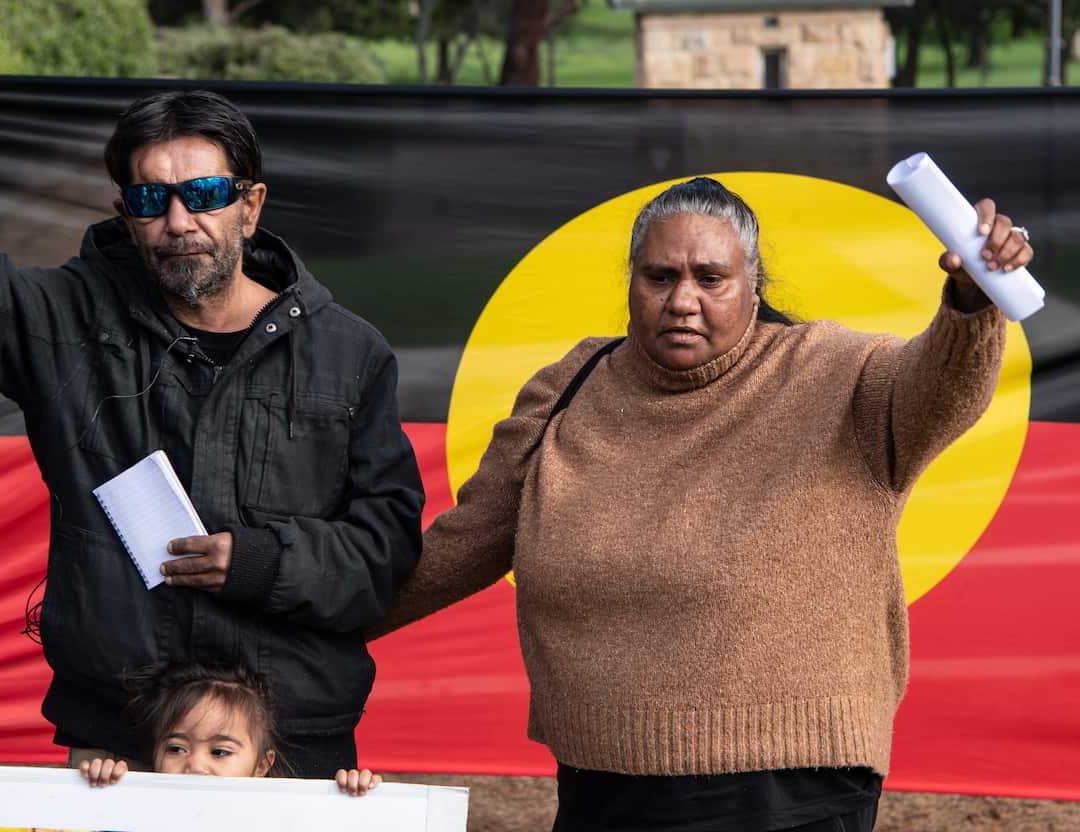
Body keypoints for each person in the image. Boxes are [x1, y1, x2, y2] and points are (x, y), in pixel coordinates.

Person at [0, 45, 424, 778]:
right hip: (122, 737)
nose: (176, 219)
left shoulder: (350, 352)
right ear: (124, 215)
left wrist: (260, 562)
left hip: (287, 738)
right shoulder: (64, 321)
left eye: (202, 194)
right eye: (148, 199)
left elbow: (384, 552)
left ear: (250, 204)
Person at [370, 176, 1031, 830]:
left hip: (790, 792)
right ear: (632, 283)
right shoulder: (568, 387)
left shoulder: (838, 374)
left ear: (753, 286)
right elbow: (459, 548)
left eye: (710, 278)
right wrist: (305, 623)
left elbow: (941, 386)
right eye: (660, 277)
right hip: (602, 785)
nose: (682, 299)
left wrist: (972, 301)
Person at [78, 659, 382, 796]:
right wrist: (102, 791)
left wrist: (352, 799)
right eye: (176, 748)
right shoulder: (135, 810)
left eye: (220, 751)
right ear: (153, 754)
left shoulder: (279, 818)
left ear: (262, 764)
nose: (195, 765)